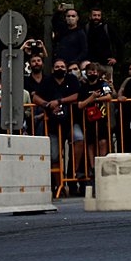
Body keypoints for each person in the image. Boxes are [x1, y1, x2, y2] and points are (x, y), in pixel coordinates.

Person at [31, 59, 86, 191]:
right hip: (53, 123)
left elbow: (78, 95)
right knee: (54, 155)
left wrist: (60, 101)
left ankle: (74, 171)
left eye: (62, 66)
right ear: (52, 69)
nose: (59, 68)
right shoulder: (47, 80)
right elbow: (35, 97)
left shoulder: (72, 79)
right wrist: (47, 105)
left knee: (79, 139)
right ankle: (58, 184)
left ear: (66, 69)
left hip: (71, 121)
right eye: (57, 66)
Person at [77, 62, 113, 177]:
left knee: (103, 141)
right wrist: (91, 98)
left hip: (101, 118)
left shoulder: (102, 84)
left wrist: (96, 99)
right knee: (90, 143)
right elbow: (80, 105)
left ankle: (102, 164)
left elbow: (108, 97)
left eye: (95, 71)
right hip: (88, 119)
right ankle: (92, 167)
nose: (92, 73)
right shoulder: (83, 87)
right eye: (90, 71)